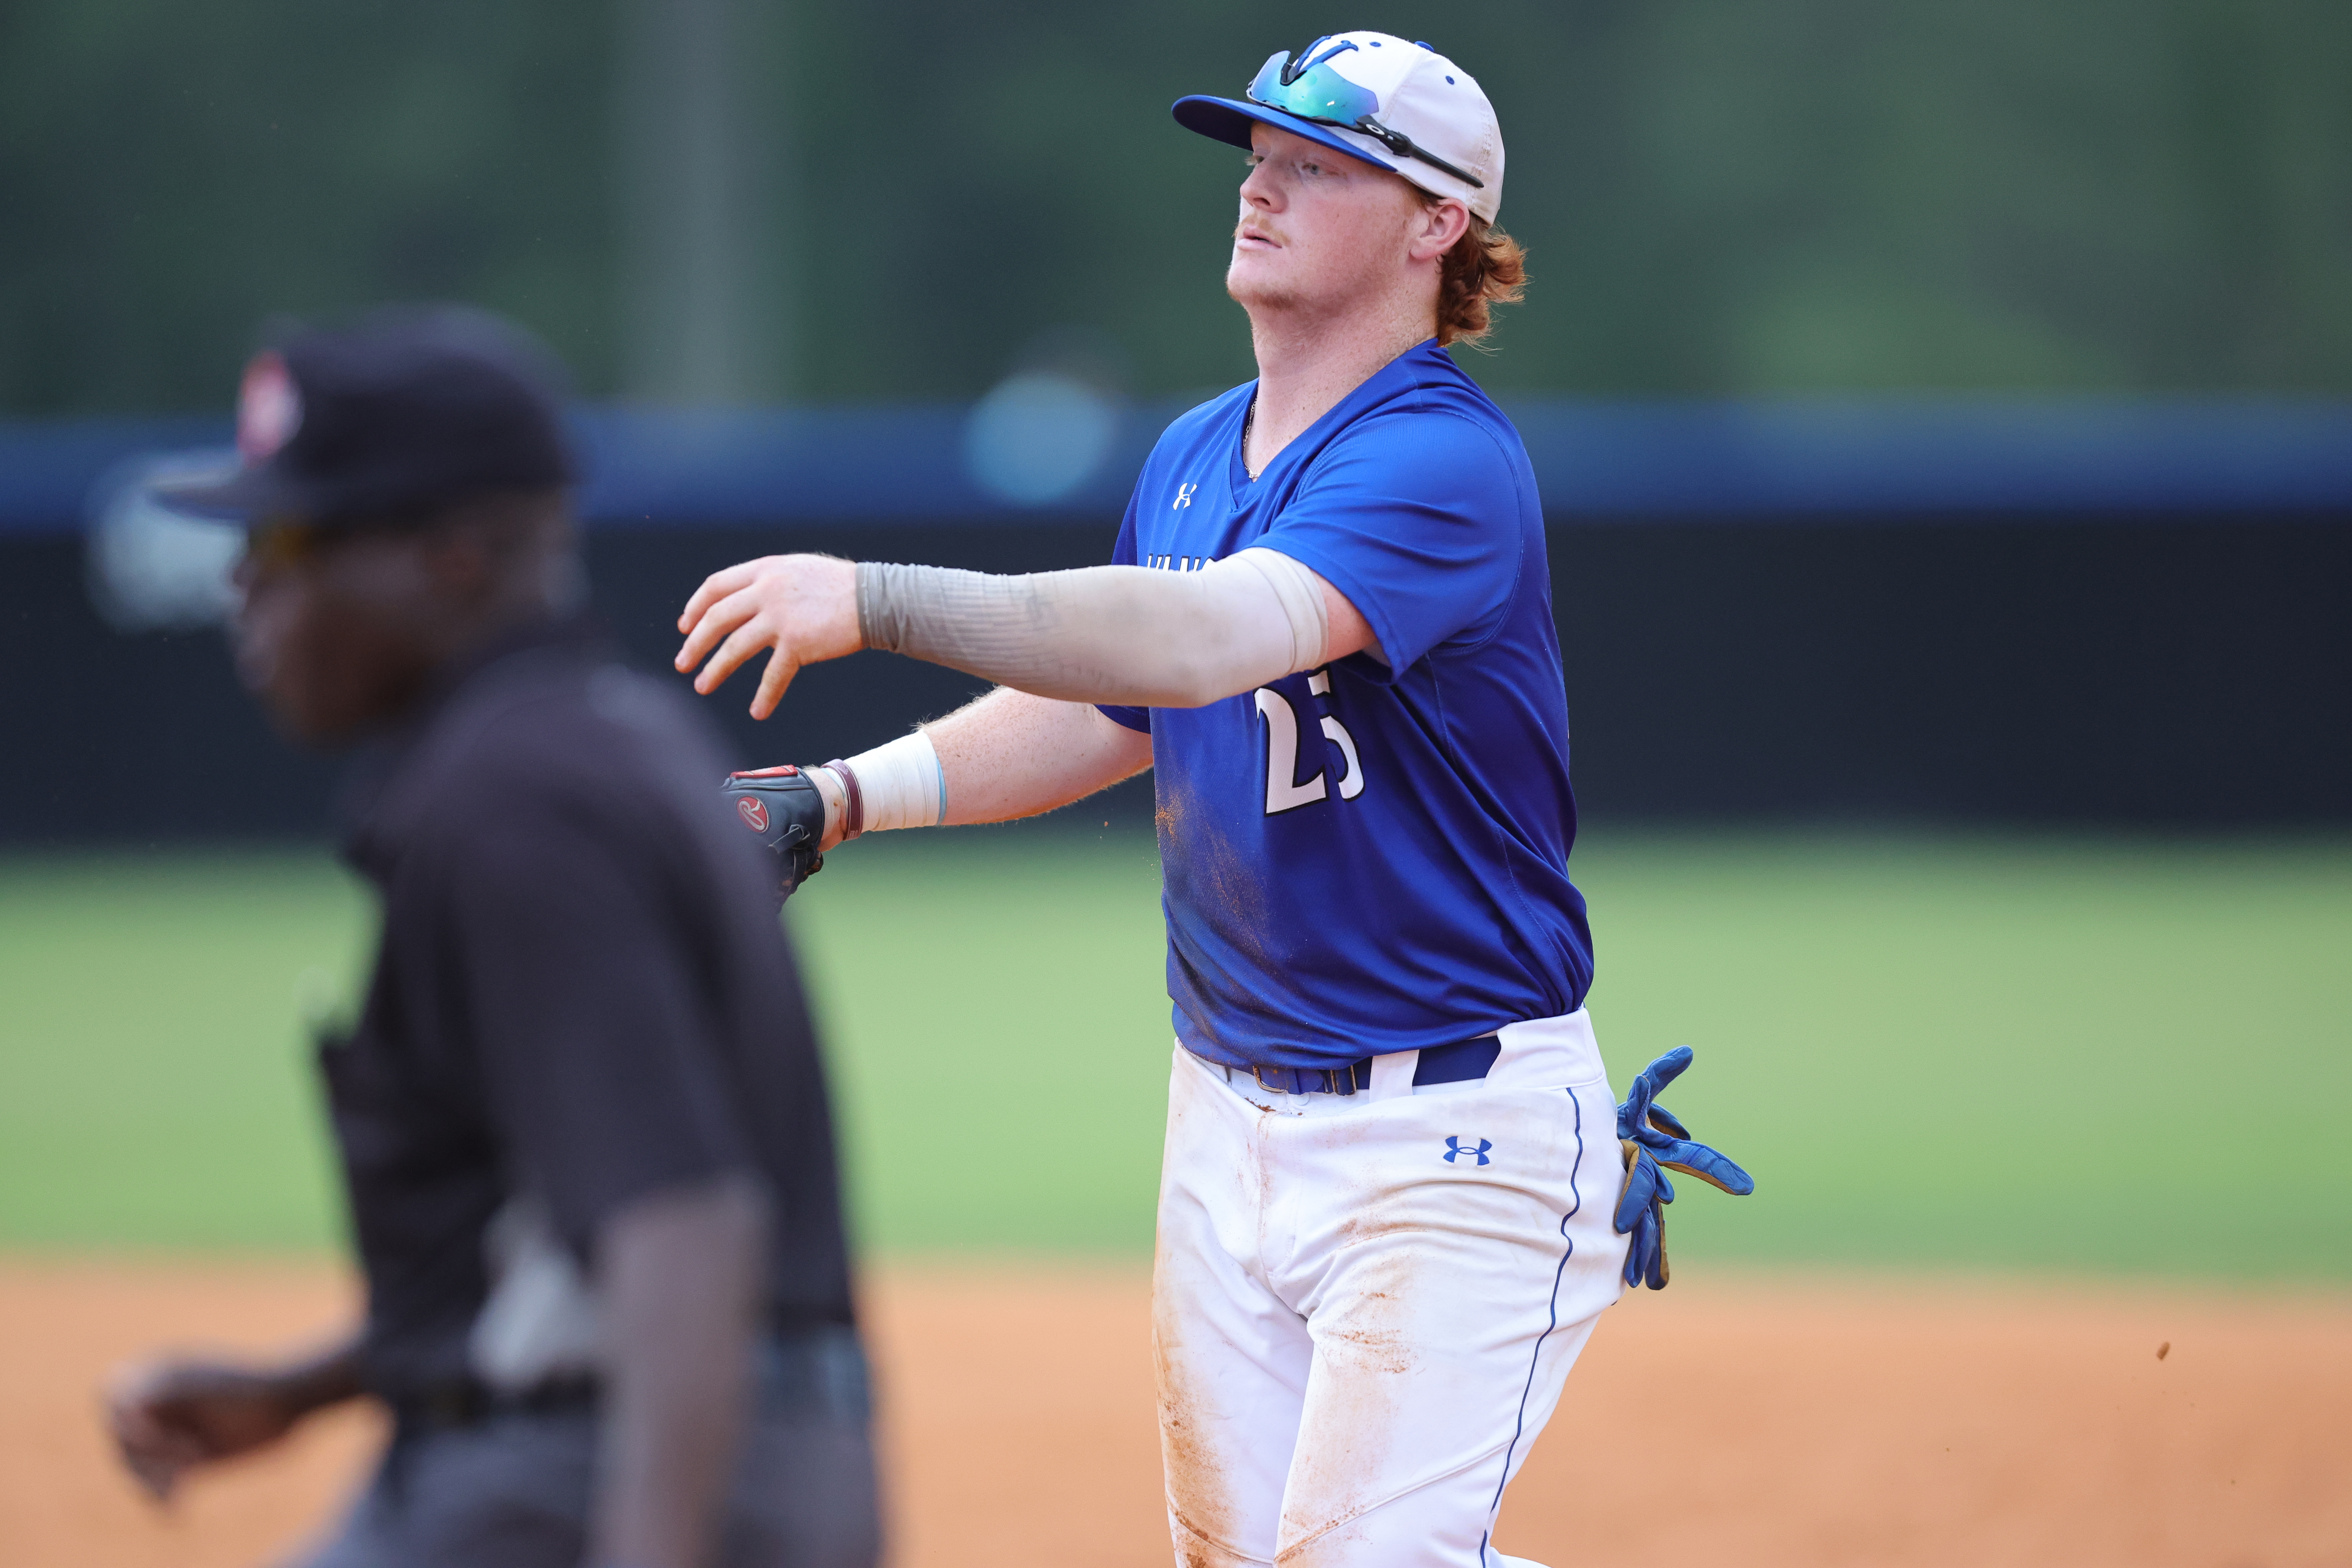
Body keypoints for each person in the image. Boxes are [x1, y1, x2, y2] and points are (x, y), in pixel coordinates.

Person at [673, 33, 1748, 1568]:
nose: (1263, 185)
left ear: (1437, 222)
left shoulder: (1438, 459)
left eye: (1319, 164)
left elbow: (1206, 639)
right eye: (1258, 155)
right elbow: (1112, 706)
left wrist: (875, 595)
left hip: (1448, 1130)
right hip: (1227, 1117)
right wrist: (846, 796)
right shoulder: (1193, 453)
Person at [110, 306, 881, 1568]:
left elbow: (683, 1225)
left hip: (592, 1471)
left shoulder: (517, 803)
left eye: (291, 535)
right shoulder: (599, 741)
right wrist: (307, 1390)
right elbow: (561, 1231)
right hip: (688, 1448)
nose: (247, 578)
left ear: (454, 557)